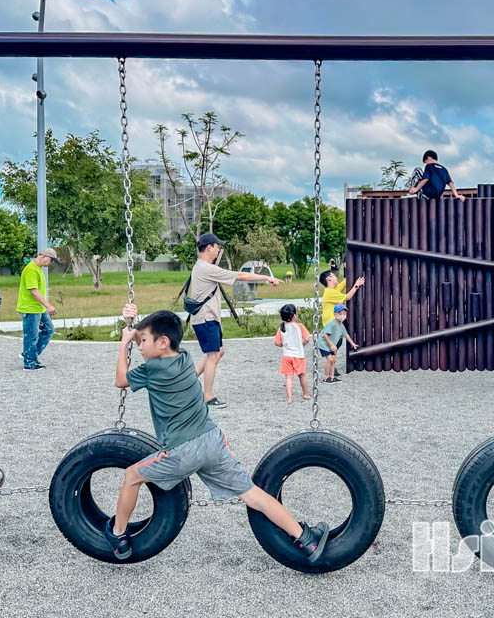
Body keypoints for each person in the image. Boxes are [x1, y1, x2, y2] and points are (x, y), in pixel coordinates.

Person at [109, 306, 329, 563]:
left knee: (131, 476)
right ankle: (306, 540)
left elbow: (120, 379)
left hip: (183, 451)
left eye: (143, 341)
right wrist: (133, 326)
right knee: (252, 494)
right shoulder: (183, 358)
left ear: (162, 342)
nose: (140, 345)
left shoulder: (152, 370)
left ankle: (119, 536)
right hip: (213, 441)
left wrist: (124, 341)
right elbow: (152, 345)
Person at [189, 233, 281, 409]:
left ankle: (189, 382)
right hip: (205, 318)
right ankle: (207, 396)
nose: (218, 250)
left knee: (218, 352)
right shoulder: (206, 268)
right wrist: (266, 277)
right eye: (217, 247)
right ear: (209, 247)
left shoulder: (201, 267)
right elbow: (240, 276)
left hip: (208, 317)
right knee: (213, 355)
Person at [16, 247, 62, 370]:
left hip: (39, 308)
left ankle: (28, 354)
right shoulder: (31, 269)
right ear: (44, 256)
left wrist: (45, 306)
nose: (51, 263)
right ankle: (30, 363)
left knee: (48, 330)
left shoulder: (39, 269)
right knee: (31, 335)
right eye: (51, 260)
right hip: (30, 308)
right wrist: (48, 305)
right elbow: (33, 291)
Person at [274, 304, 311, 404]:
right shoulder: (299, 326)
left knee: (288, 377)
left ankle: (289, 398)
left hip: (287, 355)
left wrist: (284, 345)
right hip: (298, 355)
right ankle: (305, 394)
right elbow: (307, 339)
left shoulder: (282, 328)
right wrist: (302, 344)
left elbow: (277, 342)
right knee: (302, 375)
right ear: (295, 316)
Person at [318, 304, 359, 384]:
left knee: (334, 360)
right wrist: (331, 345)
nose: (342, 315)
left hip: (332, 345)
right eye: (340, 313)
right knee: (330, 359)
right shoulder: (332, 324)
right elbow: (325, 335)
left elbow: (346, 335)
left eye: (344, 314)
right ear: (335, 314)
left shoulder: (341, 325)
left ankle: (332, 377)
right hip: (324, 344)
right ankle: (326, 378)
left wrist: (352, 343)